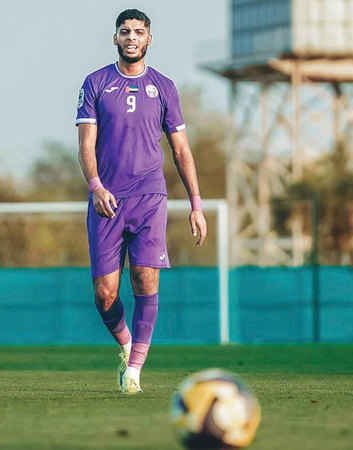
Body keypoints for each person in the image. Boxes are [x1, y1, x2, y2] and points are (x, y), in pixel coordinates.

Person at [75, 9, 207, 394]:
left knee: (145, 279)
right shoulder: (95, 83)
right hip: (107, 200)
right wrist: (97, 186)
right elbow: (85, 144)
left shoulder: (164, 87)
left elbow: (182, 151)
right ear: (115, 39)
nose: (132, 37)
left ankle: (134, 371)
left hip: (150, 197)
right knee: (105, 294)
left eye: (139, 31)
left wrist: (196, 204)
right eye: (125, 31)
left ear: (150, 39)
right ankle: (126, 347)